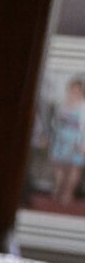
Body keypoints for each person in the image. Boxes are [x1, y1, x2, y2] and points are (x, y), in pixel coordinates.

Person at [52, 77, 85, 207]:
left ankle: (68, 193)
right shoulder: (63, 103)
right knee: (59, 165)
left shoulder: (83, 106)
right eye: (73, 90)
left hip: (77, 140)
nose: (74, 92)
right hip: (61, 139)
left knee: (75, 167)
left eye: (78, 90)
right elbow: (55, 122)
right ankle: (58, 188)